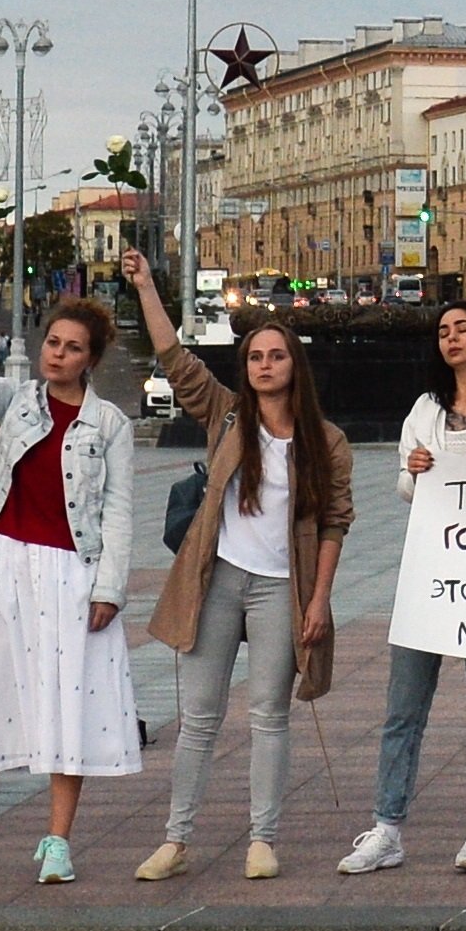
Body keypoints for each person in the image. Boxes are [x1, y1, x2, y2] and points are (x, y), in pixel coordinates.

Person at [0, 272, 146, 884]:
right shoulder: (20, 400)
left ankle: (56, 841)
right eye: (53, 343)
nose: (58, 354)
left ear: (90, 358)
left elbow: (119, 510)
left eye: (72, 347)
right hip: (11, 562)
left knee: (68, 698)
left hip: (74, 570)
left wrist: (109, 589)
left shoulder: (109, 426)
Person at [130, 256, 353, 882]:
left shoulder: (326, 441)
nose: (265, 366)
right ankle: (176, 840)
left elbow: (335, 522)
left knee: (268, 717)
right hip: (218, 580)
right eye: (256, 357)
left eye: (276, 356)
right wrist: (148, 287)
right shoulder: (227, 414)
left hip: (285, 588)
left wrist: (318, 603)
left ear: (293, 365)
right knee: (199, 718)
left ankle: (263, 839)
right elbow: (176, 361)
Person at [345, 296, 466, 875]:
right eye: (443, 331)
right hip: (431, 571)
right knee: (404, 705)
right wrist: (416, 473)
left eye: (463, 328)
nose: (451, 338)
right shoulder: (424, 409)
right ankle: (386, 827)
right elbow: (406, 483)